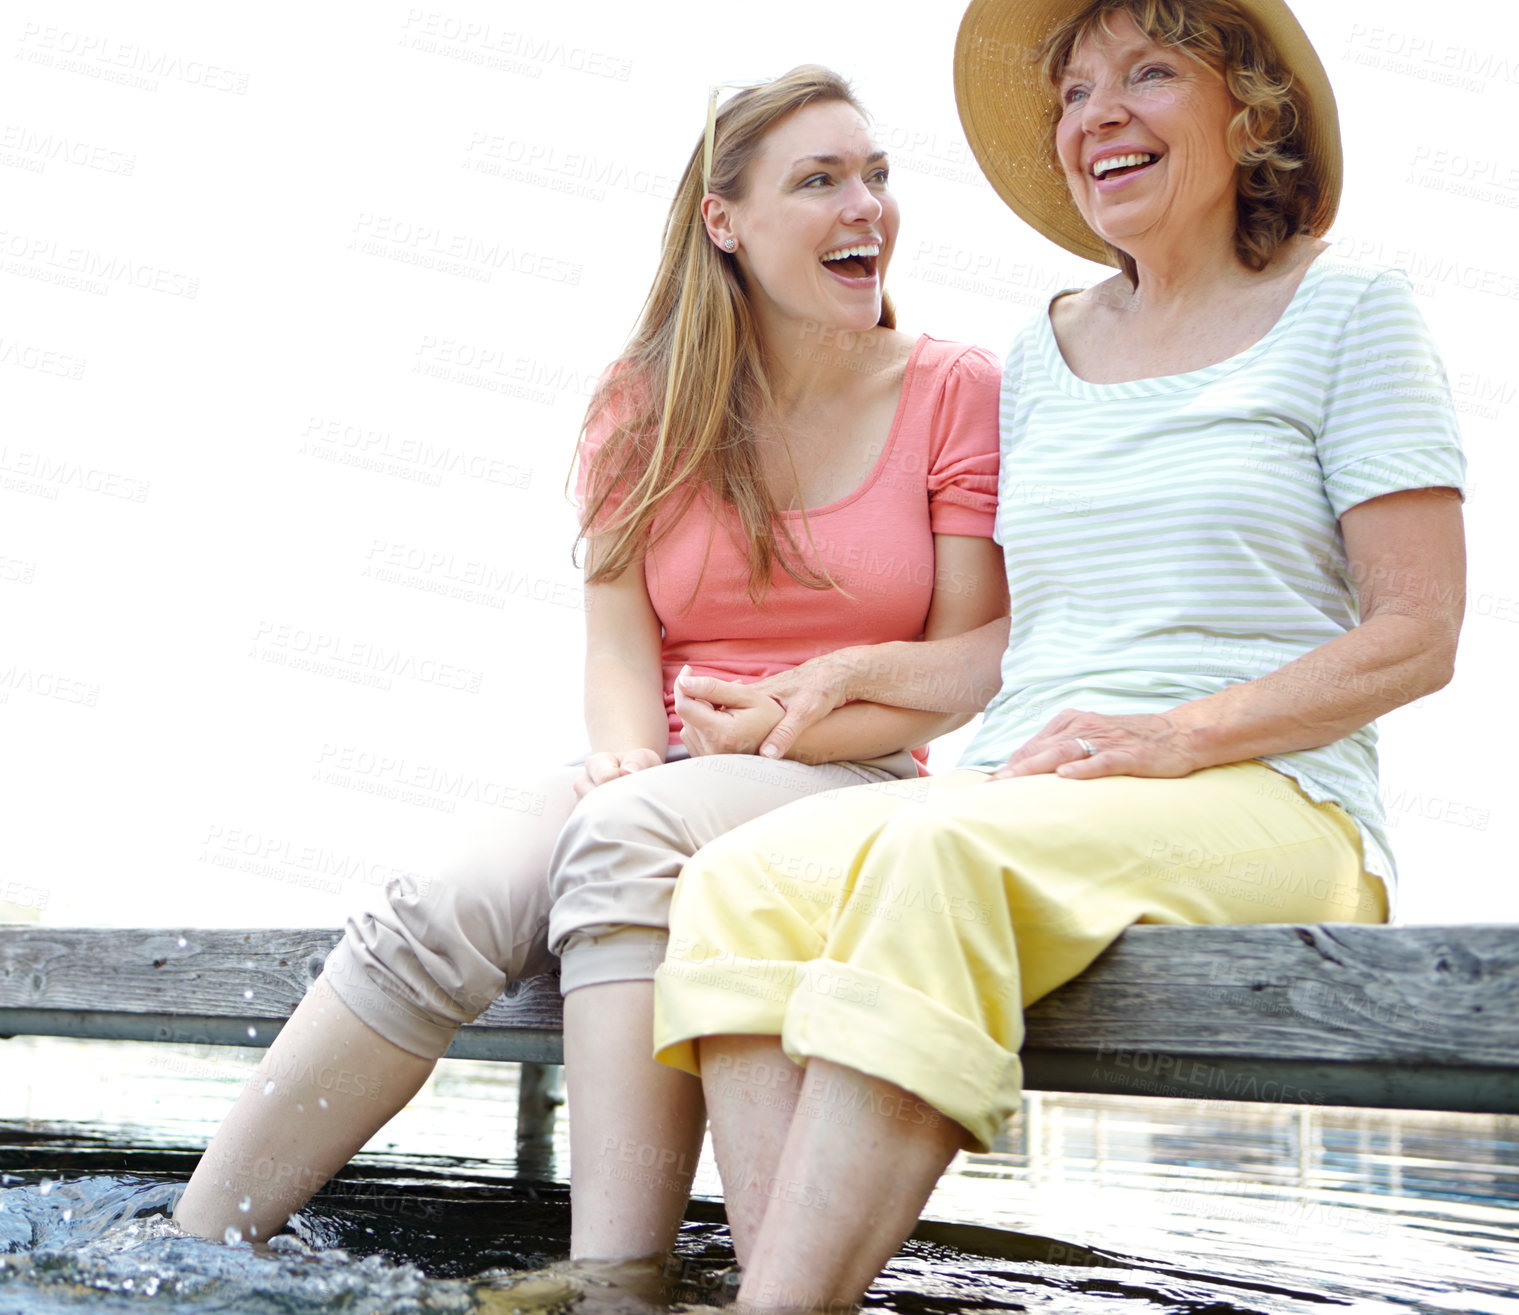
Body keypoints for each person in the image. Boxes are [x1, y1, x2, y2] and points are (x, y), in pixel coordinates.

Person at [648, 0, 1468, 1306]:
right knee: (738, 880)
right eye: (1074, 92)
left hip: (1272, 797)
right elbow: (1021, 642)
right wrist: (845, 677)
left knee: (934, 845)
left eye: (1146, 72)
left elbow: (1415, 634)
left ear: (1245, 110)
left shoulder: (1347, 310)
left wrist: (1173, 734)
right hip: (1034, 787)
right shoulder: (1041, 350)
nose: (1097, 115)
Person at [173, 65, 1010, 1266]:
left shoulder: (952, 389)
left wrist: (772, 729)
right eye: (818, 180)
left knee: (629, 835)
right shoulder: (640, 404)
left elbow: (974, 656)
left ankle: (613, 1282)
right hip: (666, 762)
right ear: (725, 223)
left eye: (875, 176)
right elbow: (619, 637)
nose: (864, 205)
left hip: (855, 772)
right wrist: (627, 759)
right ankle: (193, 1246)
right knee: (442, 906)